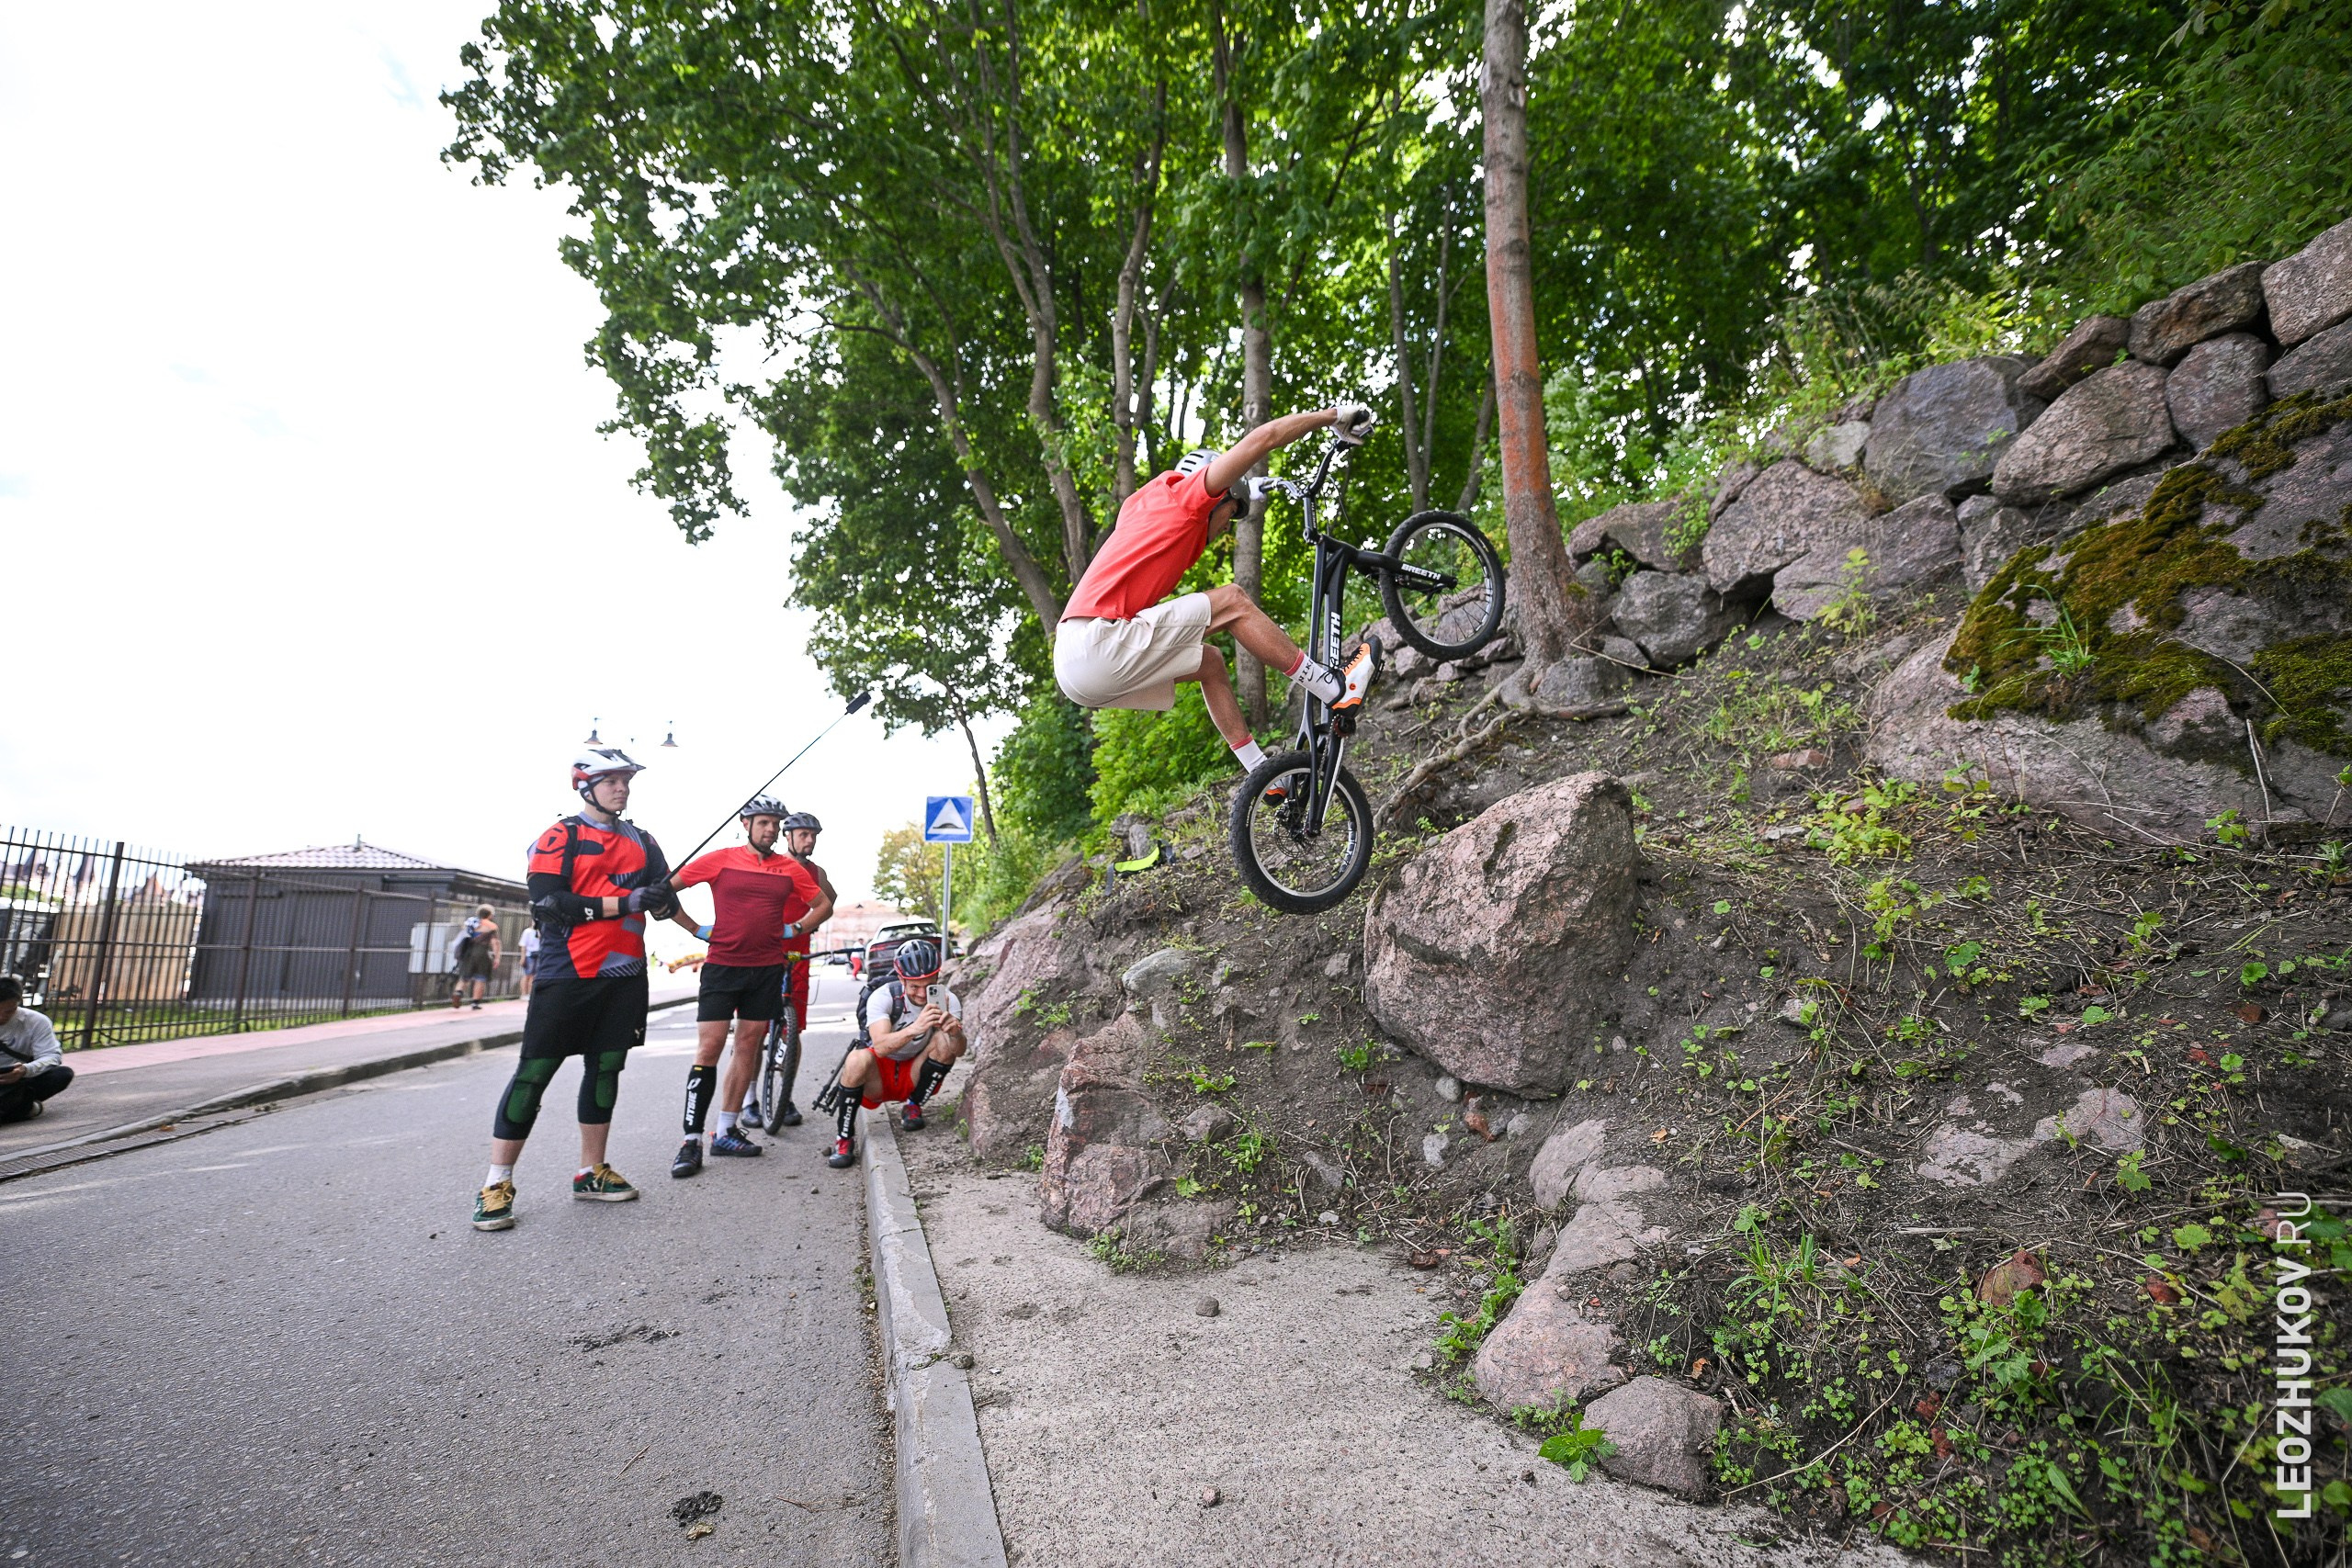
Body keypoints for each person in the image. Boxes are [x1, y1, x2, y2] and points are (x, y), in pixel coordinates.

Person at [1053, 404, 1382, 784]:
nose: (1227, 528)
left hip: (1075, 667)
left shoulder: (1145, 507)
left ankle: (1265, 777)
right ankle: (1333, 686)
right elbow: (1265, 439)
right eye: (1230, 514)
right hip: (1099, 643)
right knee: (1233, 601)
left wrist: (1247, 492)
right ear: (1216, 494)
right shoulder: (1189, 497)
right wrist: (1332, 416)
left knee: (1209, 663)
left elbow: (1225, 499)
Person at [472, 747, 676, 1232]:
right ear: (584, 786)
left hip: (624, 977)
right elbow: (547, 903)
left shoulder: (644, 841)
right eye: (611, 780)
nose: (622, 788)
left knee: (607, 1068)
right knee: (534, 1073)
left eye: (626, 780)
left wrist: (671, 901)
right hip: (567, 975)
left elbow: (662, 898)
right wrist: (625, 900)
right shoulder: (560, 835)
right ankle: (496, 1183)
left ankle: (591, 1172)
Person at [658, 795, 832, 1178]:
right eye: (763, 822)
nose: (770, 829)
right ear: (746, 823)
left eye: (775, 823)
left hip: (767, 969)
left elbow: (823, 904)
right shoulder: (719, 859)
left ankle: (725, 1130)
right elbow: (663, 892)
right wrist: (693, 928)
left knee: (748, 1046)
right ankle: (691, 1141)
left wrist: (797, 928)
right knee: (709, 1048)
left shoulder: (789, 868)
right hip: (723, 967)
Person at [822, 938, 964, 1168]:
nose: (921, 994)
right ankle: (844, 1138)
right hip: (878, 1077)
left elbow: (958, 1051)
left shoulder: (947, 1000)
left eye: (928, 986)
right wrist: (916, 1027)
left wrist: (955, 1034)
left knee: (944, 1041)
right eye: (914, 986)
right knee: (857, 1059)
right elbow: (879, 1046)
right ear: (901, 979)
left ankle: (914, 1105)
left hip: (914, 1071)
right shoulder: (884, 996)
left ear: (937, 978)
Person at [745, 808, 837, 1131]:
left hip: (798, 955)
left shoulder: (816, 872)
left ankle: (784, 1095)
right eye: (803, 835)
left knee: (792, 1031)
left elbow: (829, 901)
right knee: (755, 1030)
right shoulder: (773, 866)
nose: (809, 840)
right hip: (764, 952)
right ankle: (750, 1100)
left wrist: (806, 927)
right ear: (788, 837)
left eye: (813, 836)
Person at [0, 977, 71, 1124]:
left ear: (18, 1003)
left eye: (8, 1011)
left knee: (62, 1074)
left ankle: (17, 1105)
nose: (1, 1017)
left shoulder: (36, 1021)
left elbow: (51, 1056)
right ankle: (26, 1108)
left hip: (20, 1080)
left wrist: (25, 1070)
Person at [448, 904, 502, 1010]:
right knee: (480, 978)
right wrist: (497, 957)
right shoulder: (491, 926)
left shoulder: (470, 924)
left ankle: (458, 992)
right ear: (490, 915)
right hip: (482, 953)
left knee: (464, 977)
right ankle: (475, 1002)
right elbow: (495, 942)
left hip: (468, 953)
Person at [518, 923, 541, 999]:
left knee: (534, 976)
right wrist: (523, 957)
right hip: (529, 954)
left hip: (539, 954)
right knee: (527, 974)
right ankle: (524, 994)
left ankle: (531, 993)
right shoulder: (527, 931)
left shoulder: (541, 932)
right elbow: (523, 945)